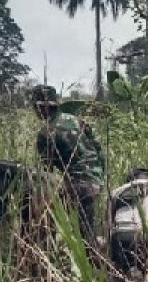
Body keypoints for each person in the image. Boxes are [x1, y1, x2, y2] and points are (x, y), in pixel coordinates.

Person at [31, 85, 104, 246]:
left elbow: (46, 174)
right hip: (96, 181)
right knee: (89, 231)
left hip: (76, 185)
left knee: (80, 237)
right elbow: (99, 150)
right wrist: (100, 177)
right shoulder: (78, 120)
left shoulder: (45, 133)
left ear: (39, 108)